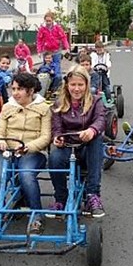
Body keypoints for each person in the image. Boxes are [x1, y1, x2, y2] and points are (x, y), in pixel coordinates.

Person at [0, 73, 51, 234]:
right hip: (8, 152)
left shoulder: (43, 109)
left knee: (26, 175)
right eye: (13, 89)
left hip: (32, 153)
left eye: (20, 89)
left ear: (31, 91)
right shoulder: (7, 107)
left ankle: (37, 214)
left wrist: (28, 147)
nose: (15, 93)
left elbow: (46, 137)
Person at [46, 65, 106, 218]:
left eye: (80, 84)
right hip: (68, 146)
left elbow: (101, 119)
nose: (77, 89)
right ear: (67, 85)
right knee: (54, 158)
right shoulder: (59, 104)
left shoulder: (96, 101)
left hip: (87, 148)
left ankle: (92, 194)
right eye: (73, 84)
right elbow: (56, 127)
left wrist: (91, 130)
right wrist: (57, 137)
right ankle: (60, 198)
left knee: (97, 139)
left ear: (86, 85)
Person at [36, 11, 70, 77]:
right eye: (47, 21)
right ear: (44, 20)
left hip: (56, 51)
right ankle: (47, 82)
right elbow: (39, 40)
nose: (48, 22)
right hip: (46, 51)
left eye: (49, 21)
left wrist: (67, 47)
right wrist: (39, 51)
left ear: (52, 20)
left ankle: (57, 81)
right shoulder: (42, 29)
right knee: (47, 67)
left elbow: (63, 37)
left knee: (57, 67)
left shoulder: (57, 28)